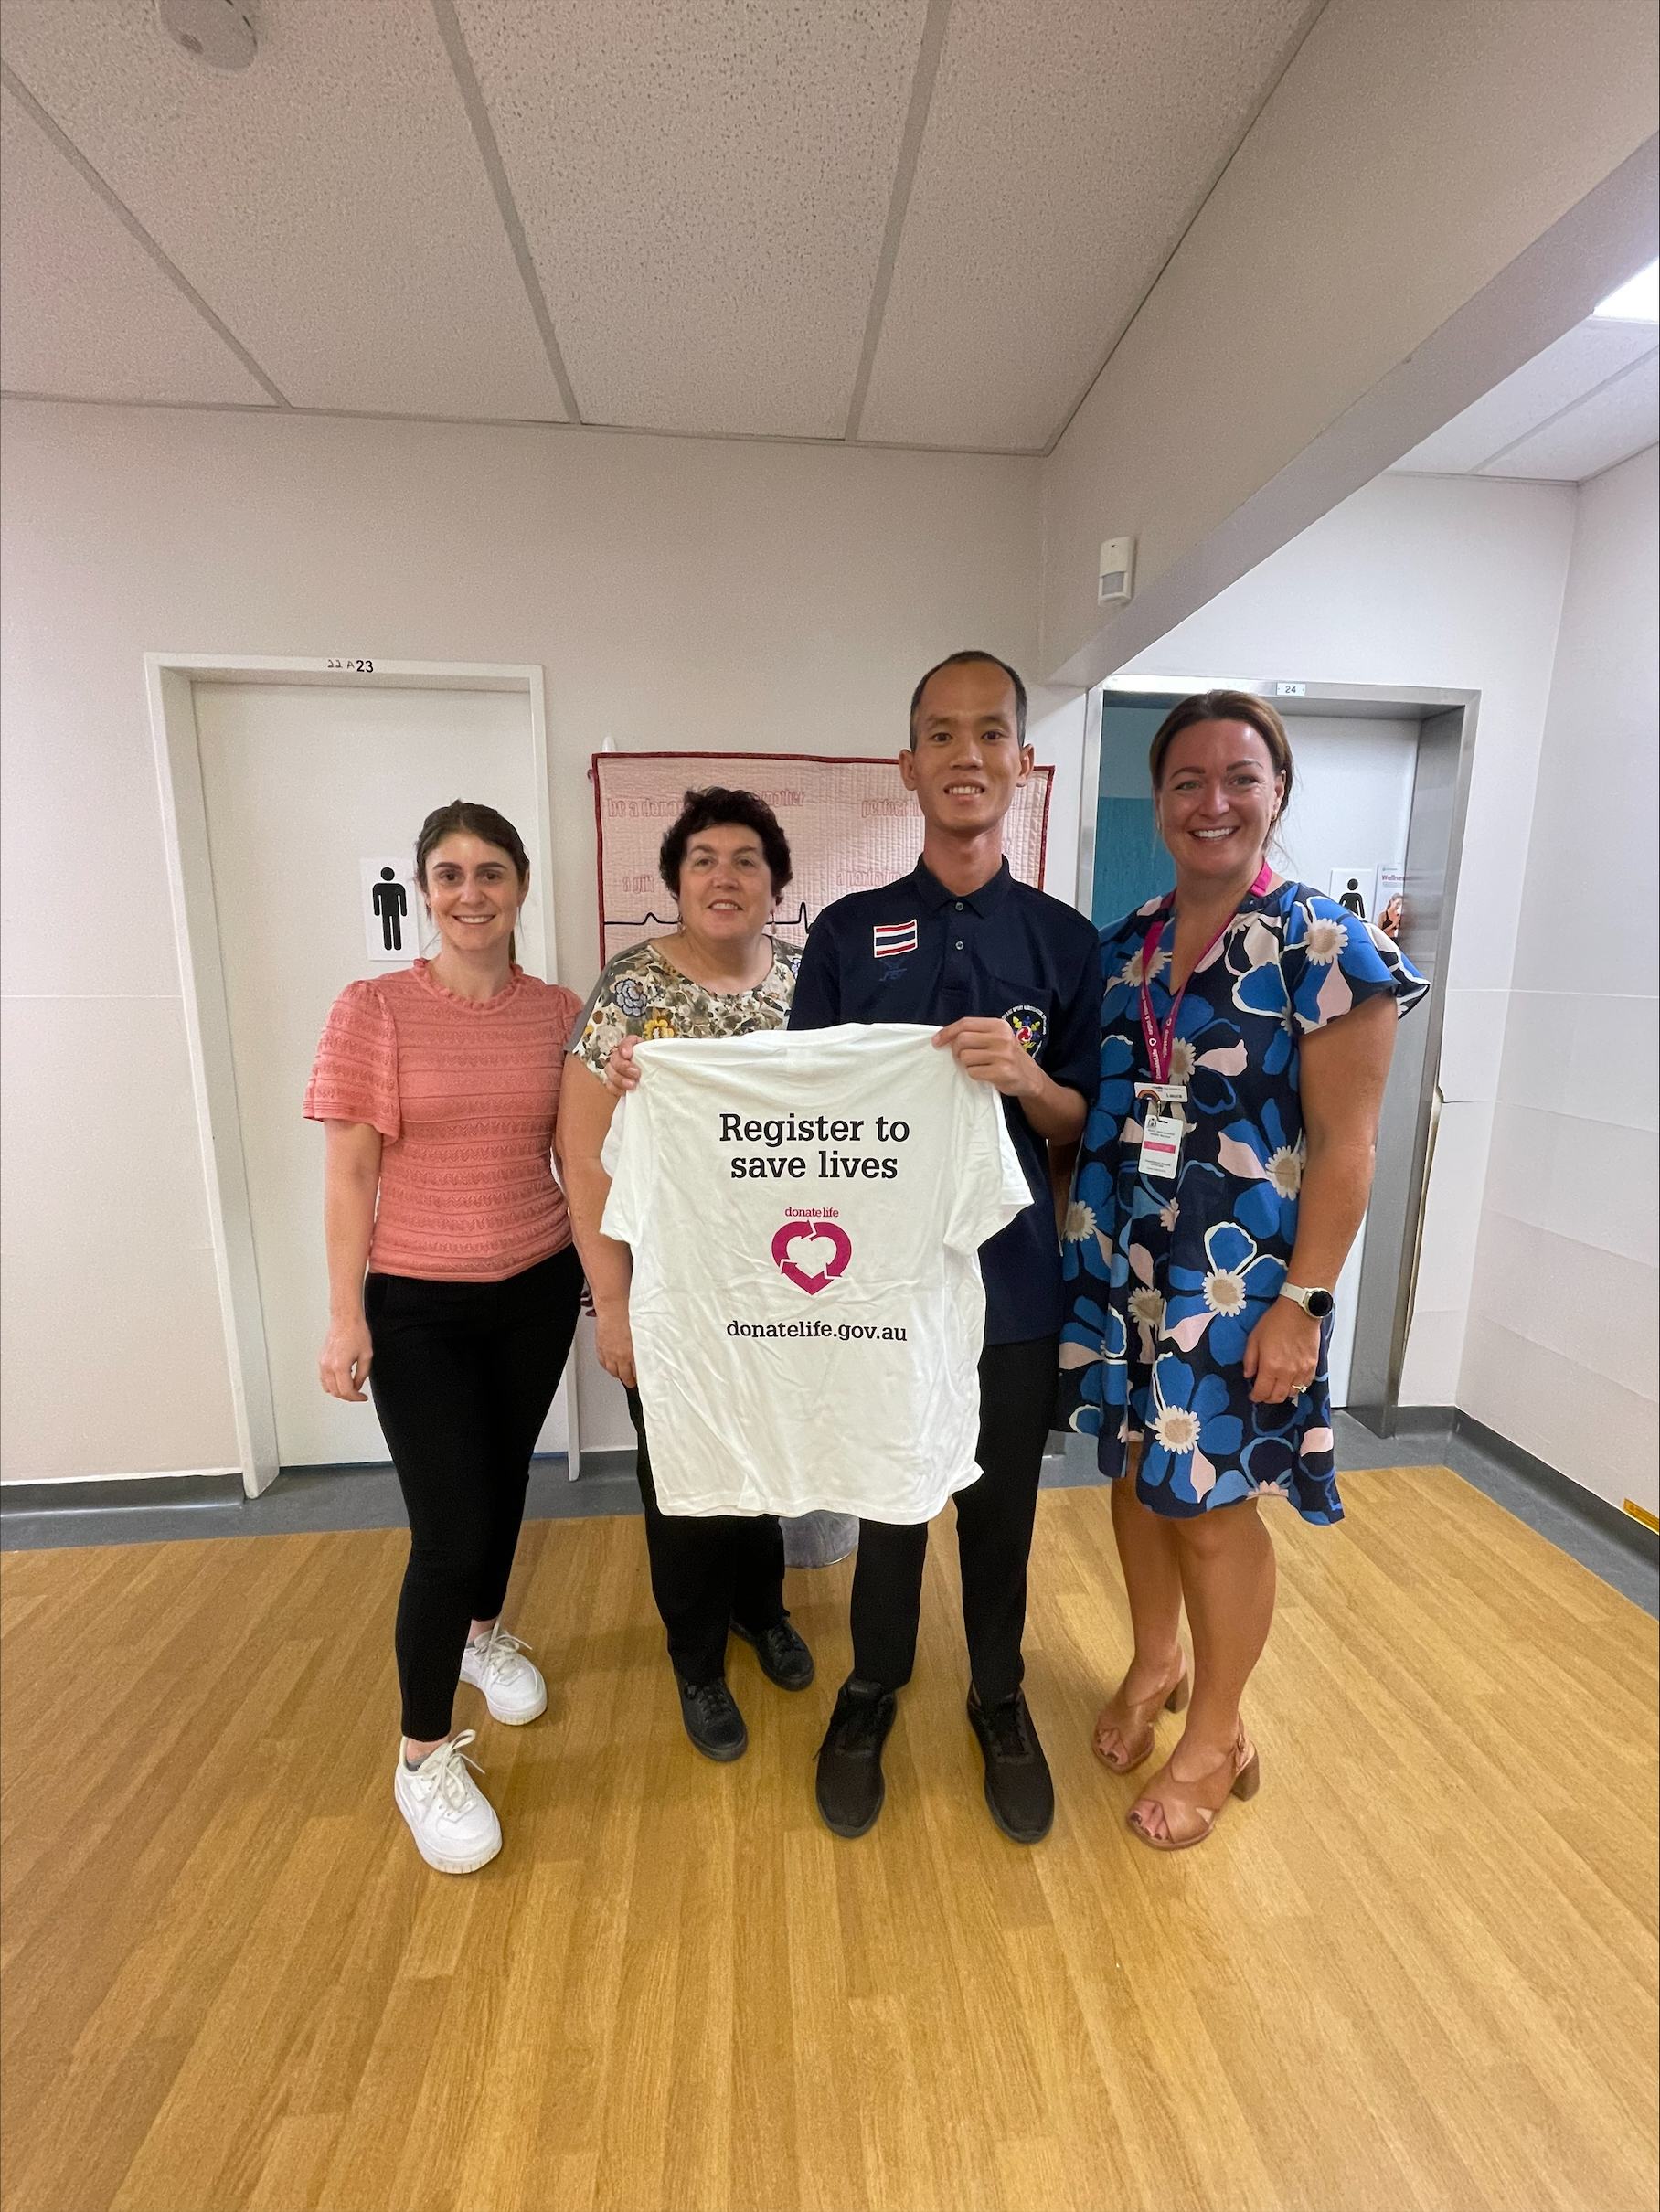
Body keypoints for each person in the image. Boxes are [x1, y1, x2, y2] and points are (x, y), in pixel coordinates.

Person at [1059, 691, 1425, 1850]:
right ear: (1160, 797)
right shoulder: (1126, 944)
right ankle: (1155, 1661)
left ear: (1276, 793)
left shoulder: (1325, 946)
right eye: (1186, 780)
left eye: (1239, 778)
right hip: (1126, 1266)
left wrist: (1302, 1305)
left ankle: (1217, 1728)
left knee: (1208, 1508)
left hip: (1238, 1281)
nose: (1211, 801)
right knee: (1133, 1474)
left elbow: (1349, 1147)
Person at [787, 651, 1101, 1845]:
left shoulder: (1067, 945)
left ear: (1022, 761)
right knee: (889, 1495)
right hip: (882, 1281)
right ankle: (871, 1689)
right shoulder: (851, 934)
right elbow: (796, 1104)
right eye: (940, 734)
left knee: (1000, 1508)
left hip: (1016, 1283)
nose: (966, 755)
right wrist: (662, 1085)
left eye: (990, 734)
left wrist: (1028, 1079)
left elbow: (1084, 1126)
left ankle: (999, 1694)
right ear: (905, 764)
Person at [307, 801, 585, 1876]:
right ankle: (422, 1752)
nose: (472, 892)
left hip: (535, 1282)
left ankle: (481, 1635)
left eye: (491, 872)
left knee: (505, 1480)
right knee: (447, 1523)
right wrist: (346, 1313)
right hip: (416, 1299)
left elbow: (579, 1149)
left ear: (521, 884)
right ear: (423, 890)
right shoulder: (373, 1007)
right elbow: (349, 1171)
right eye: (450, 873)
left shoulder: (559, 1009)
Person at [558, 788, 815, 1761]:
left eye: (746, 858)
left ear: (775, 883)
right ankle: (697, 1658)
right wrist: (611, 1305)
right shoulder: (630, 992)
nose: (724, 875)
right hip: (667, 1286)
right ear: (674, 879)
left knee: (764, 1461)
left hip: (786, 1281)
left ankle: (762, 1610)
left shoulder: (808, 984)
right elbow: (583, 1156)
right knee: (682, 1478)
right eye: (703, 858)